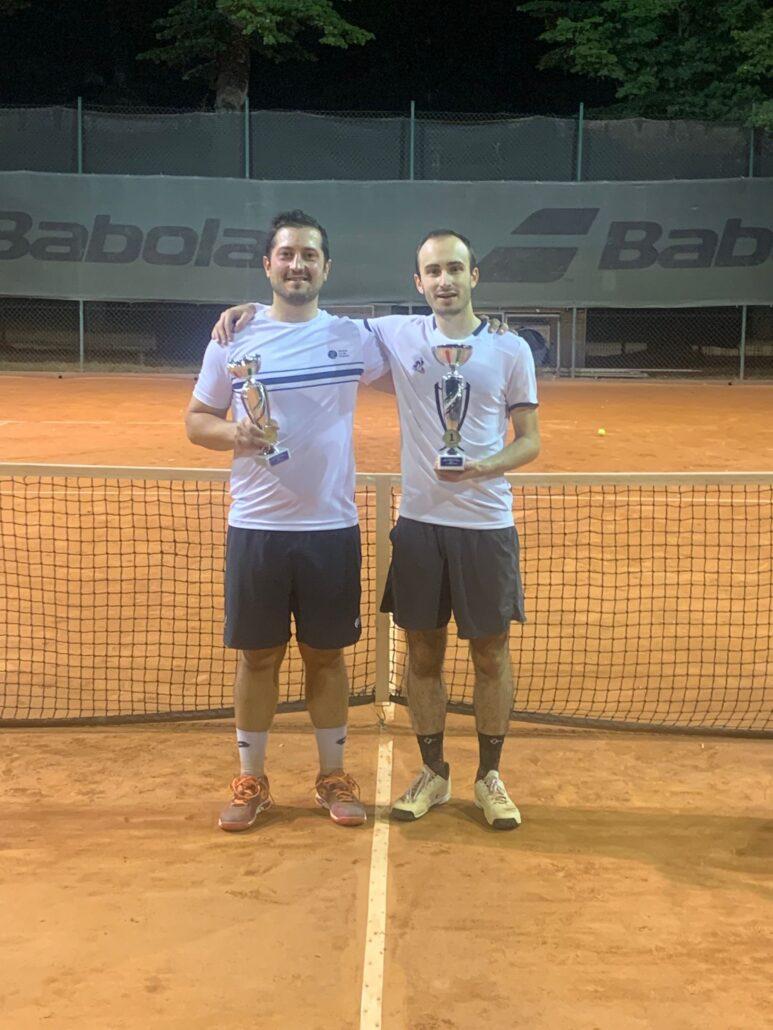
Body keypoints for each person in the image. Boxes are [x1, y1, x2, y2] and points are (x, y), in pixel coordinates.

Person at [211, 229, 540, 831]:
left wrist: (484, 466)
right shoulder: (395, 334)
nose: (444, 280)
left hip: (482, 522)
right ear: (418, 282)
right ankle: (432, 772)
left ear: (474, 276)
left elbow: (531, 439)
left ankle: (489, 776)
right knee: (421, 652)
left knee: (489, 653)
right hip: (414, 525)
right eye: (433, 271)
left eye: (455, 269)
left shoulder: (507, 347)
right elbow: (294, 311)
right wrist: (251, 308)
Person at [186, 209, 388, 832]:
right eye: (287, 254)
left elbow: (430, 346)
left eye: (309, 255)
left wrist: (489, 329)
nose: (297, 265)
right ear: (268, 265)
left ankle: (333, 775)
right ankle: (252, 779)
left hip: (330, 529)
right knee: (257, 658)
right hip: (256, 527)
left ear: (326, 268)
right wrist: (234, 434)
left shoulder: (354, 338)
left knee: (326, 658)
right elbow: (197, 421)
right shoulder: (232, 339)